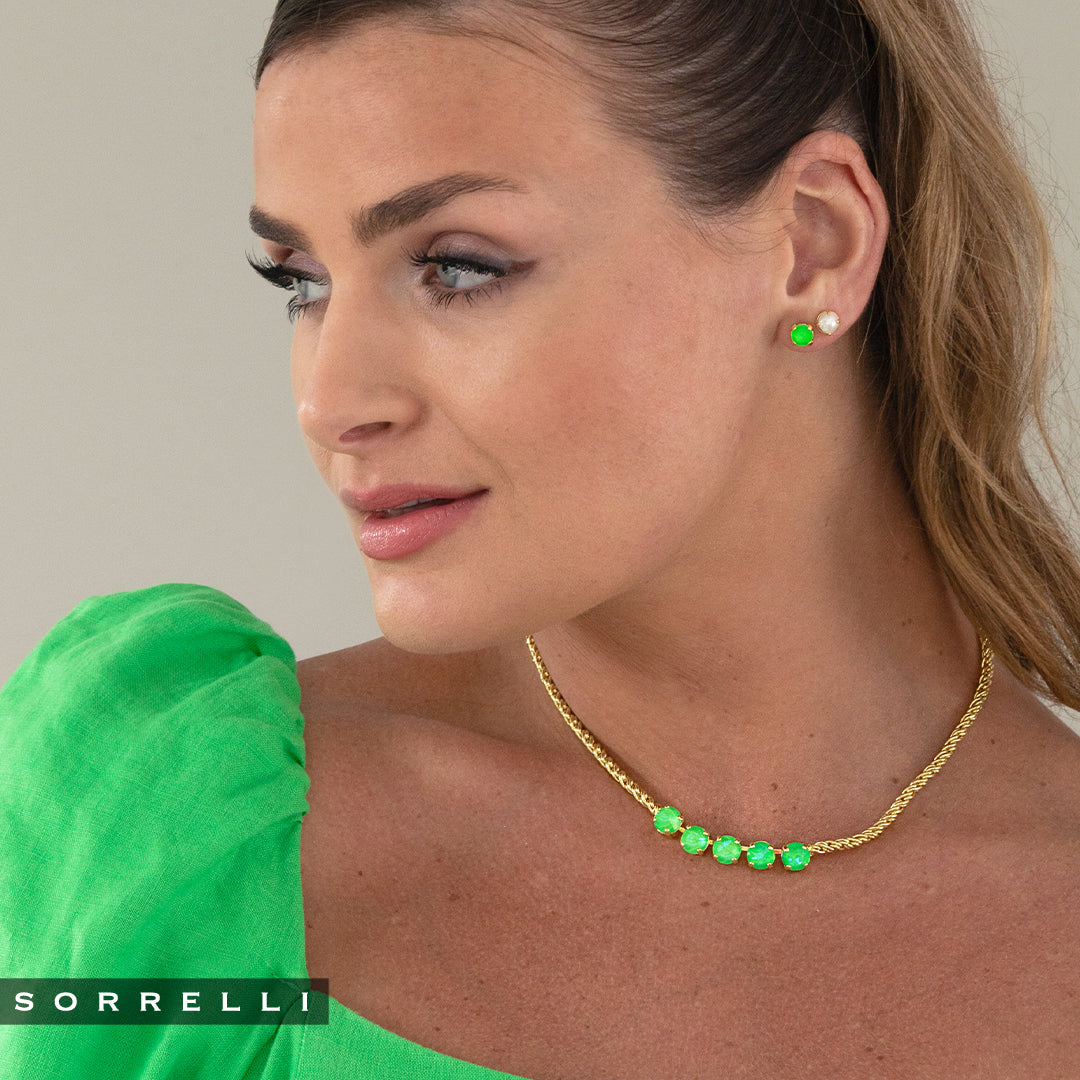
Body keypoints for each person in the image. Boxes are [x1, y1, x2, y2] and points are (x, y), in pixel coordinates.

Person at [2, 0, 1078, 1077]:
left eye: (457, 267)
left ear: (812, 244)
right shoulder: (166, 836)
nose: (330, 402)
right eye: (303, 283)